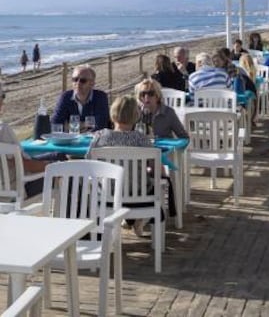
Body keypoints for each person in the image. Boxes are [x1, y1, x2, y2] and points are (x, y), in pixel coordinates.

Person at [88, 94, 176, 234]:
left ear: (113, 113)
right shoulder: (141, 139)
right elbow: (158, 171)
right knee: (154, 182)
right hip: (139, 198)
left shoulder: (99, 137)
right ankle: (138, 220)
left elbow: (90, 167)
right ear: (136, 115)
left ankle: (130, 221)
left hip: (107, 197)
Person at [52, 64, 110, 131]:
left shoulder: (100, 97)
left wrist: (69, 126)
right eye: (75, 79)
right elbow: (55, 124)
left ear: (92, 83)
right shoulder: (65, 97)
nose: (78, 83)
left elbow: (101, 125)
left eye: (83, 80)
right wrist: (85, 124)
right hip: (70, 139)